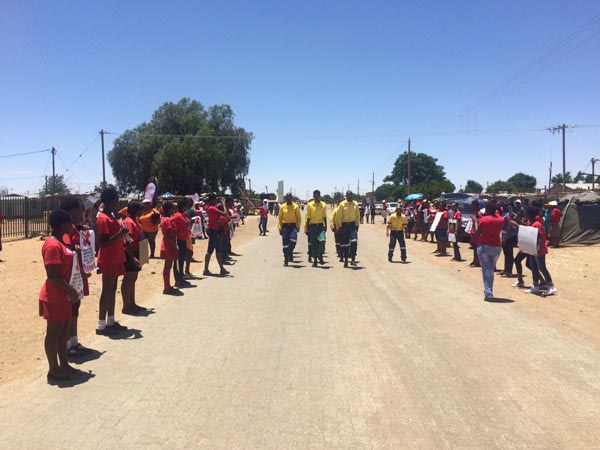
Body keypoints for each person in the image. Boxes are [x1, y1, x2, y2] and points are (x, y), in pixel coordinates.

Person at [39, 209, 80, 381]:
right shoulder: (52, 245)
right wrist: (70, 290)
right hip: (55, 295)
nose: (72, 225)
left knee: (63, 332)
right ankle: (53, 369)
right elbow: (53, 274)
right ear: (62, 224)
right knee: (54, 332)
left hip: (64, 295)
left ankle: (63, 364)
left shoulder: (62, 242)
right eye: (70, 222)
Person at [59, 196, 92, 358]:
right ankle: (67, 345)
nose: (81, 213)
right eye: (79, 210)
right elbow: (67, 251)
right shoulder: (65, 231)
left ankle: (74, 341)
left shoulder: (73, 228)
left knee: (75, 309)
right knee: (69, 310)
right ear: (73, 211)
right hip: (70, 277)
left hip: (77, 275)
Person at [96, 189, 128, 336]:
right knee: (107, 290)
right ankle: (101, 325)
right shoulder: (103, 218)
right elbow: (102, 242)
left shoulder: (112, 216)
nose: (118, 202)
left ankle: (110, 320)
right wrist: (119, 234)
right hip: (108, 257)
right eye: (116, 199)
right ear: (110, 201)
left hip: (116, 256)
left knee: (113, 288)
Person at [476, 201, 505, 300]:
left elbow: (478, 233)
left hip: (484, 246)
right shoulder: (501, 220)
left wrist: (475, 222)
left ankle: (488, 292)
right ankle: (489, 290)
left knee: (486, 270)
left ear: (487, 210)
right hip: (496, 247)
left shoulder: (484, 219)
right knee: (490, 270)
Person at [526, 206, 557, 296]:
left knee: (542, 267)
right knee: (534, 267)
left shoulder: (537, 224)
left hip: (539, 250)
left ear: (529, 214)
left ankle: (551, 286)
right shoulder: (530, 223)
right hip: (532, 249)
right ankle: (536, 286)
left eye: (526, 213)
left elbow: (539, 238)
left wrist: (537, 250)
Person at [122, 201, 145, 314]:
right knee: (128, 280)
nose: (142, 212)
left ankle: (132, 303)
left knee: (133, 279)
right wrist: (132, 257)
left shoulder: (134, 221)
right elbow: (127, 242)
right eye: (141, 209)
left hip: (137, 251)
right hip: (130, 253)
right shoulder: (129, 222)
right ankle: (127, 306)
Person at [203, 193, 230, 276]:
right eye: (215, 199)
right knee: (210, 250)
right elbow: (225, 214)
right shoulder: (212, 208)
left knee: (218, 250)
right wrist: (223, 203)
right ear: (212, 200)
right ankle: (206, 269)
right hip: (213, 230)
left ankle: (221, 268)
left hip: (214, 229)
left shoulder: (208, 206)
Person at [159, 201, 181, 295]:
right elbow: (168, 235)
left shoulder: (166, 219)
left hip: (169, 244)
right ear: (169, 209)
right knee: (167, 266)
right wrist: (174, 246)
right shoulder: (167, 220)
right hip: (169, 245)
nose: (174, 209)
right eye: (172, 207)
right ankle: (166, 287)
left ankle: (167, 285)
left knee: (169, 266)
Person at [335, 191, 360, 267]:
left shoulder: (355, 204)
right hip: (344, 226)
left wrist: (357, 225)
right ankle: (346, 260)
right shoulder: (342, 205)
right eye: (348, 195)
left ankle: (353, 259)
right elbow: (338, 216)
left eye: (350, 195)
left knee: (354, 242)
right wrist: (339, 227)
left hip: (353, 226)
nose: (349, 196)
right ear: (346, 196)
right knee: (345, 244)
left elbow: (357, 215)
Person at [171, 199, 192, 287]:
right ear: (183, 206)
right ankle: (178, 280)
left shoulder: (182, 215)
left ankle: (181, 277)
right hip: (179, 240)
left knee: (181, 260)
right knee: (178, 261)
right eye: (186, 206)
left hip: (183, 240)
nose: (188, 207)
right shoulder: (177, 216)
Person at [305, 190, 327, 267]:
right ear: (313, 196)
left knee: (322, 242)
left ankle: (320, 255)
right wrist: (307, 228)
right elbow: (308, 217)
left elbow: (324, 217)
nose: (316, 197)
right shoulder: (310, 205)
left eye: (317, 196)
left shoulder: (323, 205)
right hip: (313, 227)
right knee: (314, 244)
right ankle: (315, 261)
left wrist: (326, 226)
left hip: (321, 227)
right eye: (315, 196)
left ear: (319, 196)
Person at [278, 193, 301, 266]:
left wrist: (298, 226)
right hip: (285, 226)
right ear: (285, 198)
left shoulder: (296, 207)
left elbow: (298, 218)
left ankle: (290, 252)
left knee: (293, 241)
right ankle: (286, 259)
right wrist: (280, 227)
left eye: (290, 197)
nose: (288, 198)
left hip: (293, 226)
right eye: (287, 197)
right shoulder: (282, 207)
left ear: (291, 198)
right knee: (285, 243)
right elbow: (280, 218)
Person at [469, 200, 482, 267]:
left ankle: (477, 262)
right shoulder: (474, 212)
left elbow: (480, 221)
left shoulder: (479, 213)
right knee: (474, 247)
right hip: (473, 232)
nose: (471, 206)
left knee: (477, 247)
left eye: (472, 205)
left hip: (476, 232)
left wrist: (475, 220)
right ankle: (475, 260)